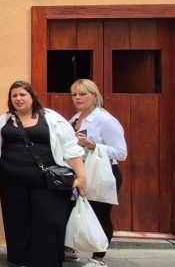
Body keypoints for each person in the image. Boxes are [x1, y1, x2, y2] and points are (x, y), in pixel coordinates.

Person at [0, 80, 87, 267]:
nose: (18, 98)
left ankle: (46, 261)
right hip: (12, 181)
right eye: (14, 95)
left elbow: (70, 147)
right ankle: (20, 258)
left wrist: (81, 177)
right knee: (17, 219)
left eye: (22, 95)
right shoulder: (4, 120)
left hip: (47, 181)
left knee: (50, 220)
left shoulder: (51, 118)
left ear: (32, 97)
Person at [68, 79, 126, 267]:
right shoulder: (75, 119)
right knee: (74, 211)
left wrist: (92, 145)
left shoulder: (105, 119)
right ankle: (71, 250)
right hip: (81, 173)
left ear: (94, 96)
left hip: (103, 173)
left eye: (83, 94)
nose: (78, 97)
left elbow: (121, 153)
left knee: (101, 214)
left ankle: (98, 258)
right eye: (74, 94)